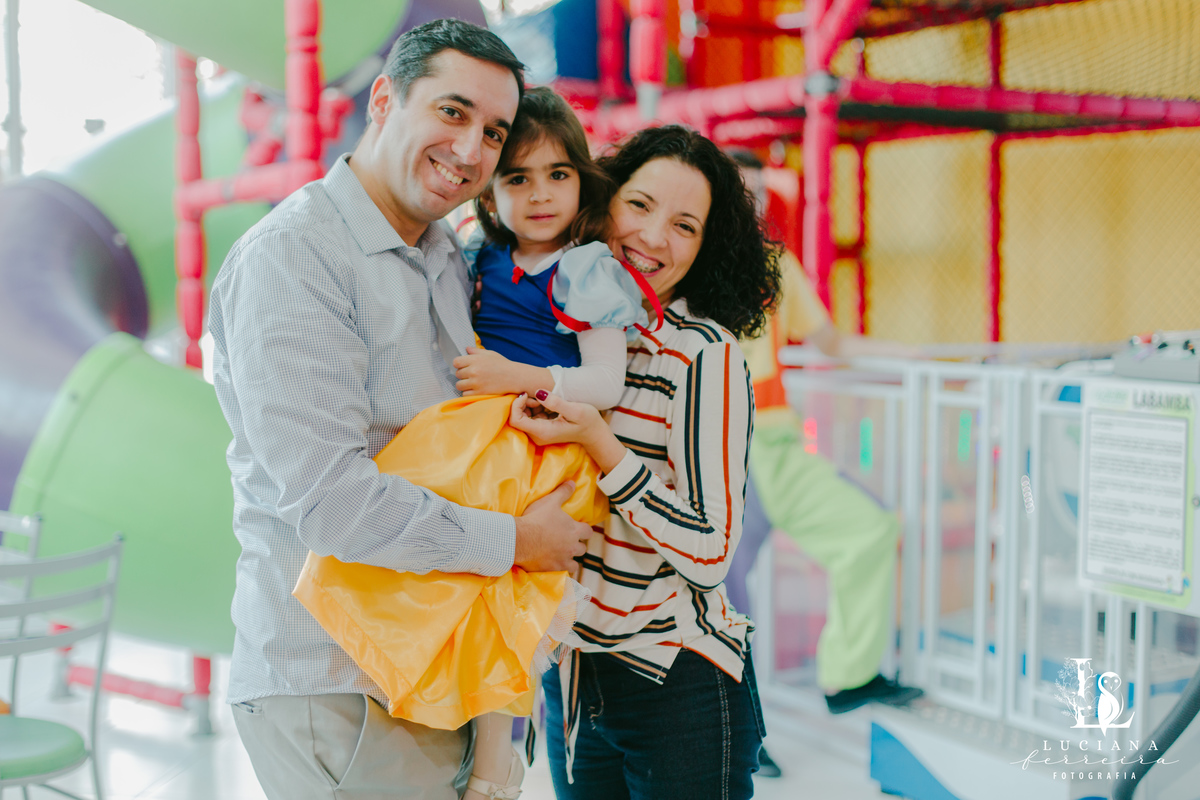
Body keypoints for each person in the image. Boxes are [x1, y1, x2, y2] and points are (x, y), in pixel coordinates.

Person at [208, 20, 591, 800]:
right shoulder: (296, 255)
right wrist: (518, 541)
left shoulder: (447, 255)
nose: (472, 150)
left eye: (494, 132)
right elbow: (332, 502)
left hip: (440, 662)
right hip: (339, 679)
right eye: (452, 112)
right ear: (384, 99)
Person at [508, 125, 782, 800]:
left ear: (706, 248)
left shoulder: (703, 355)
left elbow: (711, 552)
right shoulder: (556, 331)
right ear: (601, 202)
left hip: (676, 682)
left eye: (685, 226)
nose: (654, 237)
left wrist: (602, 444)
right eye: (639, 205)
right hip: (573, 673)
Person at [724, 150, 923, 733]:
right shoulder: (683, 264)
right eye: (740, 192)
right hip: (715, 451)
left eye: (759, 192)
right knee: (720, 595)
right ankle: (734, 732)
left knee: (868, 531)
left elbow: (831, 342)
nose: (752, 204)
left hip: (774, 446)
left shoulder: (775, 265)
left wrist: (910, 355)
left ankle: (849, 676)